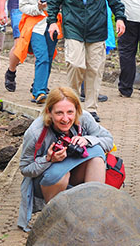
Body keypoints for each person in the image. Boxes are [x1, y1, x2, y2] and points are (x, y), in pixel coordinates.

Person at [47, 0, 126, 123]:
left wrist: (120, 17)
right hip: (73, 23)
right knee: (75, 64)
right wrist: (51, 22)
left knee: (95, 68)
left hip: (97, 25)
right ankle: (72, 105)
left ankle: (90, 109)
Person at [17, 86, 114, 230]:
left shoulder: (84, 118)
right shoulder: (36, 132)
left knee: (97, 153)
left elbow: (108, 140)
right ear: (49, 112)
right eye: (59, 113)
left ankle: (93, 212)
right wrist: (48, 160)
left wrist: (87, 140)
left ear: (76, 110)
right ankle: (55, 218)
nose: (65, 119)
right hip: (47, 182)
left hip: (76, 175)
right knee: (62, 174)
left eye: (70, 112)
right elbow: (25, 168)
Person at [16, 0, 60, 104]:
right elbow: (22, 6)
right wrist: (38, 8)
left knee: (48, 57)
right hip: (35, 26)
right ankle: (39, 92)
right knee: (41, 57)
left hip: (52, 24)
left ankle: (40, 86)